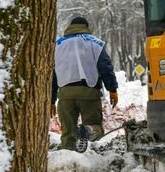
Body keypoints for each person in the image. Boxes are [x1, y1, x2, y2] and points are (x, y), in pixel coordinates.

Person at [51, 16, 119, 152]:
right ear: (86, 27)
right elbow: (105, 68)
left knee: (68, 134)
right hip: (89, 94)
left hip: (65, 96)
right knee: (95, 129)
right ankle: (87, 131)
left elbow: (52, 75)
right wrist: (112, 89)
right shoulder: (96, 44)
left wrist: (51, 100)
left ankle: (68, 160)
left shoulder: (57, 45)